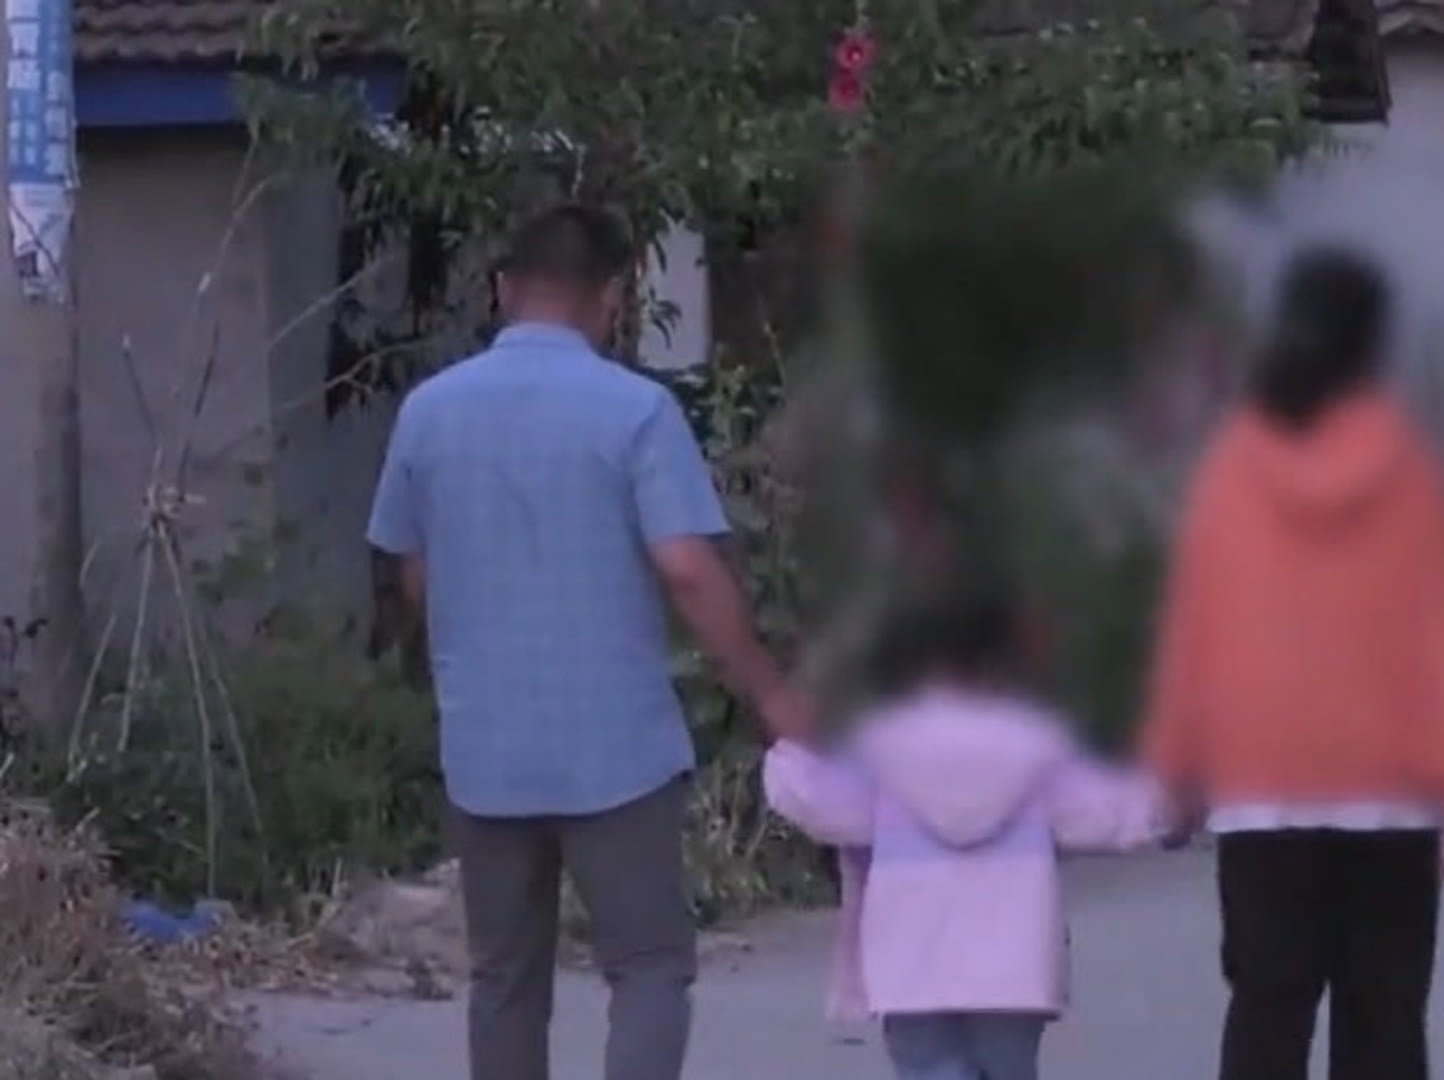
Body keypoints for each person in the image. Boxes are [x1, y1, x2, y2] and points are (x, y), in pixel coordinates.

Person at [365, 204, 809, 1080]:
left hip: (486, 750)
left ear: (502, 290)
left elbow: (411, 570)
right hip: (618, 753)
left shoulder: (426, 413)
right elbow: (687, 566)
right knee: (647, 967)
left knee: (503, 979)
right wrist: (768, 690)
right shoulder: (637, 410)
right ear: (612, 298)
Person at [1142, 247, 1444, 1080]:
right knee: (1385, 1020)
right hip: (1391, 793)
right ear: (1374, 342)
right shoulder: (1408, 467)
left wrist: (1178, 766)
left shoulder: (1235, 465)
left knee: (1267, 1010)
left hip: (1262, 792)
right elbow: (1443, 635)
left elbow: (1197, 627)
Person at [764, 589, 1171, 1080]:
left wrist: (789, 749)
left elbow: (816, 797)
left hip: (908, 965)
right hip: (1015, 967)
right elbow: (1103, 811)